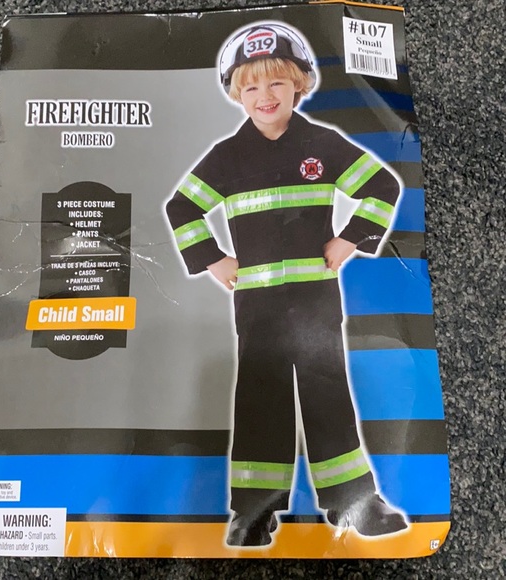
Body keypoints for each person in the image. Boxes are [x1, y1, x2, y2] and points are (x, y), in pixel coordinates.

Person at [165, 23, 408, 547]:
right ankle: (254, 509)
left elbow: (382, 185)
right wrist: (212, 259)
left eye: (277, 82)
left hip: (315, 299)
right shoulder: (227, 156)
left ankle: (353, 501)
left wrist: (349, 239)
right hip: (257, 306)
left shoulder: (322, 144)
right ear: (236, 93)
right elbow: (181, 207)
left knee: (328, 394)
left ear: (299, 84)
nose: (265, 95)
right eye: (251, 86)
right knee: (260, 397)